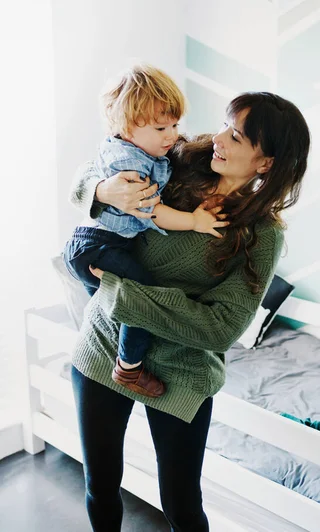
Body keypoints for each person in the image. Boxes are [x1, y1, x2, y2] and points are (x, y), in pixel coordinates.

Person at [69, 91, 310, 532]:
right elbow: (85, 179)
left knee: (180, 499)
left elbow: (221, 327)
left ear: (266, 162)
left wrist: (119, 292)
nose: (218, 139)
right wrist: (102, 189)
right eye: (225, 126)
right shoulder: (175, 163)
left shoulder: (259, 235)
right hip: (101, 346)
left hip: (180, 370)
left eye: (236, 137)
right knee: (100, 482)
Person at [63, 63, 224, 399]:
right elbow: (156, 213)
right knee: (140, 298)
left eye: (175, 124)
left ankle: (118, 353)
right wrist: (195, 221)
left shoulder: (144, 150)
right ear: (127, 128)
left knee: (116, 312)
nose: (172, 135)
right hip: (100, 245)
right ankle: (129, 368)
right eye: (161, 127)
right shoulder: (131, 166)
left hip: (95, 244)